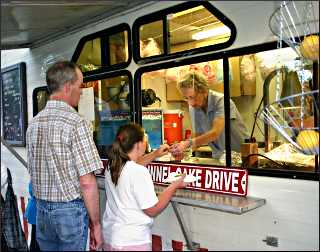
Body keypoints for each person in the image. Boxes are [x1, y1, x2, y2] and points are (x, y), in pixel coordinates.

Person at [26, 61, 104, 251]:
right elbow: (87, 181)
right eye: (80, 86)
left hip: (42, 212)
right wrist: (96, 224)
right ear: (68, 87)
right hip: (69, 213)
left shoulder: (34, 124)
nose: (81, 91)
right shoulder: (76, 123)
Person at [102, 123, 189, 251]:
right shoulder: (138, 172)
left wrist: (155, 154)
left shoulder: (112, 166)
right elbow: (152, 209)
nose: (146, 143)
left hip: (111, 238)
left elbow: (132, 164)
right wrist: (174, 185)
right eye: (144, 140)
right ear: (138, 144)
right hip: (132, 242)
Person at [170, 72, 249, 159]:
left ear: (204, 91)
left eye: (193, 97)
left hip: (243, 156)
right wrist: (182, 151)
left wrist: (187, 143)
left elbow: (215, 133)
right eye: (186, 98)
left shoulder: (221, 101)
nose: (190, 103)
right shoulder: (193, 107)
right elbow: (198, 136)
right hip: (220, 158)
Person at [24, 182, 40, 251]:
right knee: (36, 240)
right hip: (36, 212)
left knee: (35, 238)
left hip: (36, 212)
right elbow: (33, 192)